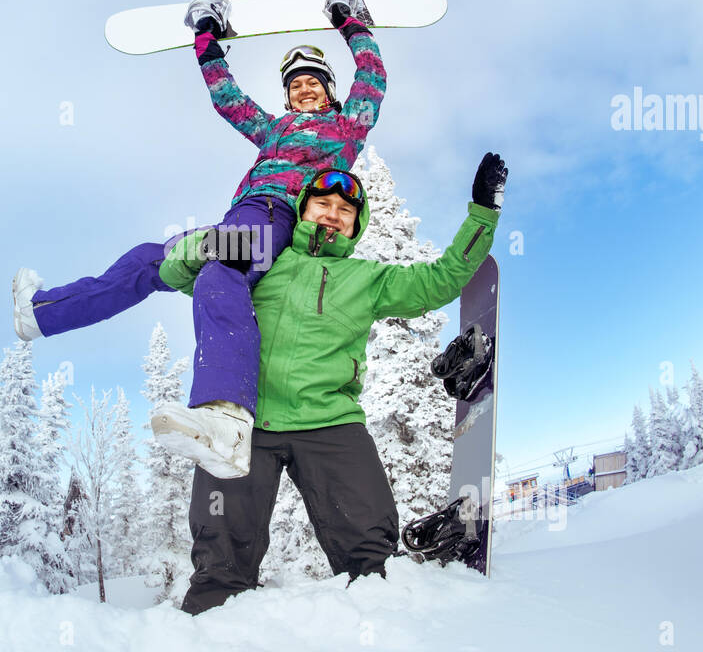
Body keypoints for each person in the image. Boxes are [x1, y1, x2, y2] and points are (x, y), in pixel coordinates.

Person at [12, 0, 387, 475]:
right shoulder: (273, 129)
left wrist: (350, 22)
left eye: (314, 81)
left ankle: (226, 419)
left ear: (329, 90)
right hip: (242, 218)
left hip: (278, 218)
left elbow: (373, 77)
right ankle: (43, 315)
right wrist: (206, 39)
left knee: (220, 271)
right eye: (296, 84)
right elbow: (228, 99)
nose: (304, 89)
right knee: (149, 259)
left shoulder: (346, 129)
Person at [155, 155, 507, 614]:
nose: (332, 214)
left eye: (345, 211)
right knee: (219, 563)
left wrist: (483, 213)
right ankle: (209, 650)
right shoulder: (263, 260)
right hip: (244, 424)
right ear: (301, 210)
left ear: (355, 227)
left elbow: (441, 281)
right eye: (322, 203)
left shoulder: (367, 279)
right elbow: (177, 272)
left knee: (373, 558)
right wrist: (210, 243)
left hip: (329, 423)